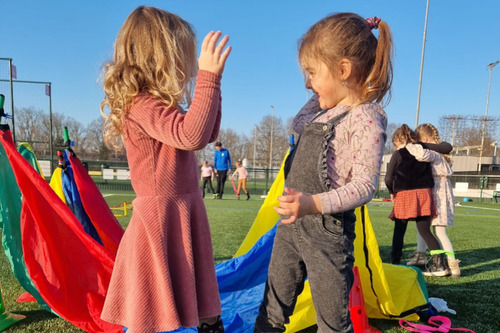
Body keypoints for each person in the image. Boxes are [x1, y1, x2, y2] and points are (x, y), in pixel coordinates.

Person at [255, 13, 393, 332]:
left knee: (332, 322)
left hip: (327, 233)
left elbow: (364, 187)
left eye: (313, 73)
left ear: (343, 70)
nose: (308, 83)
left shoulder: (367, 118)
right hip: (291, 227)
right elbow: (298, 123)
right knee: (272, 309)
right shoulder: (322, 112)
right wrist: (319, 89)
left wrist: (312, 204)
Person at [99, 6, 231, 333]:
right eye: (185, 57)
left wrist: (213, 85)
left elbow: (206, 133)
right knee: (149, 309)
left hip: (182, 210)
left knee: (202, 300)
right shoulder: (141, 105)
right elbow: (191, 135)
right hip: (161, 216)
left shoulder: (162, 106)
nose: (189, 67)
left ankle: (209, 324)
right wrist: (208, 80)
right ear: (162, 58)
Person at [385, 124, 450, 277]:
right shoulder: (423, 150)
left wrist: (392, 191)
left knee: (399, 231)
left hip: (404, 194)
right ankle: (440, 264)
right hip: (424, 193)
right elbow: (447, 148)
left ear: (398, 140)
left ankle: (395, 261)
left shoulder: (398, 154)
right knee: (425, 231)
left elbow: (388, 178)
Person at [406, 123, 461, 277]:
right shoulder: (440, 153)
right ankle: (420, 255)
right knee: (423, 227)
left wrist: (410, 145)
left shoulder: (434, 153)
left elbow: (421, 155)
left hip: (438, 193)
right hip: (438, 191)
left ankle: (452, 264)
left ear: (424, 138)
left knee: (439, 230)